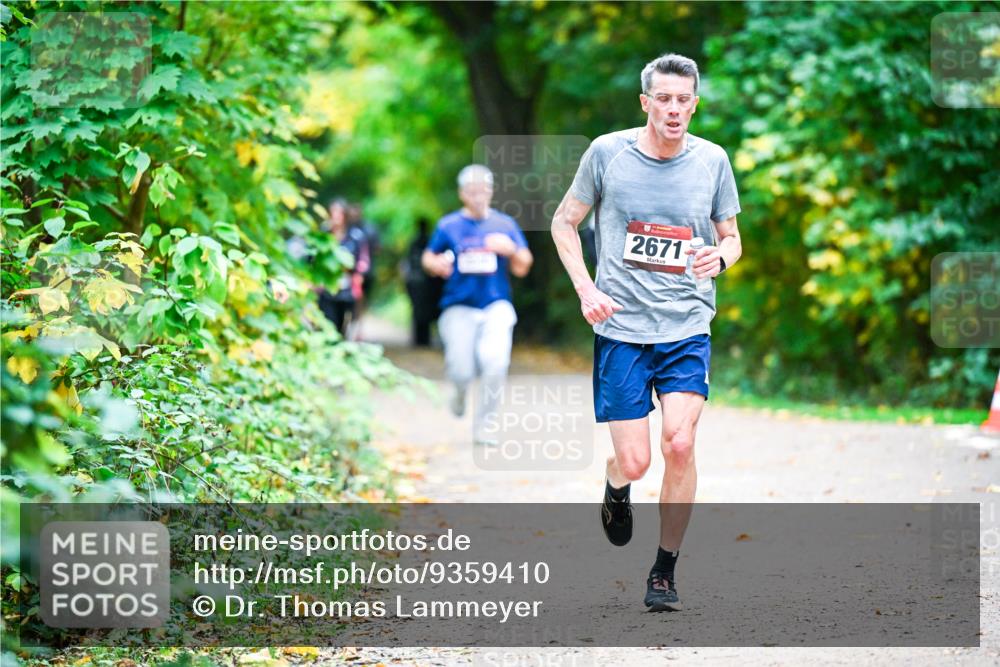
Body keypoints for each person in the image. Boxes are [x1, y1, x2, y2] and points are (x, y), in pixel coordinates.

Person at [550, 53, 742, 612]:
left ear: (695, 103)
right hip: (622, 329)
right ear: (646, 103)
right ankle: (616, 485)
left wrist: (720, 260)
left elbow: (732, 238)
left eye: (685, 100)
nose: (675, 109)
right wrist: (587, 289)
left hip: (686, 327)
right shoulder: (608, 153)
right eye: (664, 98)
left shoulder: (712, 161)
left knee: (680, 443)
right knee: (636, 461)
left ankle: (664, 570)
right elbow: (564, 222)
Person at [422, 164, 534, 445]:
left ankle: (486, 426)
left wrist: (510, 250)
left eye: (483, 190)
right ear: (462, 194)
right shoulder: (448, 225)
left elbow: (524, 265)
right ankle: (459, 392)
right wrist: (436, 264)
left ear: (491, 191)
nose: (478, 196)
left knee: (495, 364)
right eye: (472, 191)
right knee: (461, 370)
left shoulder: (505, 225)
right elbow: (428, 257)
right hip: (458, 305)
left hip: (496, 305)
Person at [317, 198, 367, 335]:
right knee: (328, 320)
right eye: (333, 213)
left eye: (339, 213)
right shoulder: (323, 234)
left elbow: (363, 260)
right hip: (326, 285)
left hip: (347, 286)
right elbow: (314, 258)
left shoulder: (355, 236)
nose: (336, 217)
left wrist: (358, 275)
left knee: (344, 321)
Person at [403, 217, 444, 347]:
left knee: (419, 311)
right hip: (425, 281)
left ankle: (420, 339)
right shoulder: (428, 241)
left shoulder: (416, 242)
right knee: (423, 310)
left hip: (418, 281)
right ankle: (422, 339)